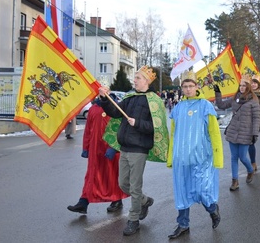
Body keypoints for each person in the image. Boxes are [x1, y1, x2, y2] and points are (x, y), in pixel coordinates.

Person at [99, 66, 169, 236]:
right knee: (123, 184)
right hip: (124, 147)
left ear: (146, 81)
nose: (134, 80)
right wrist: (105, 99)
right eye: (135, 77)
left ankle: (133, 220)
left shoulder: (154, 101)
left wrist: (137, 123)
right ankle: (145, 201)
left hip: (139, 149)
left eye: (137, 77)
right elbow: (115, 112)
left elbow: (156, 127)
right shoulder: (130, 97)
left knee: (135, 187)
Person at [166, 75, 223, 239]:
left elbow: (214, 132)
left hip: (202, 158)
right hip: (181, 159)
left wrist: (218, 157)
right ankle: (183, 224)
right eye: (185, 87)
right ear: (182, 89)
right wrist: (172, 157)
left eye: (191, 86)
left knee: (201, 189)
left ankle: (213, 209)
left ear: (197, 87)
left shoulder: (205, 106)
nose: (188, 89)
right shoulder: (178, 108)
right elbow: (174, 134)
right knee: (182, 192)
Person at [67, 97, 129, 214]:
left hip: (109, 149)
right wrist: (86, 147)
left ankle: (117, 199)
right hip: (95, 148)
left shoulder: (114, 108)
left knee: (111, 175)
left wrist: (114, 147)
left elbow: (120, 129)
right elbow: (88, 130)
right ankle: (83, 202)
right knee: (91, 175)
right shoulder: (93, 109)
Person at [214, 75, 260, 191]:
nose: (242, 87)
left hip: (246, 133)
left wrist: (254, 134)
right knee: (234, 157)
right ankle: (235, 181)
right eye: (240, 85)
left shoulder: (254, 101)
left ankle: (250, 170)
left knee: (243, 157)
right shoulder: (235, 98)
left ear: (248, 87)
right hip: (233, 131)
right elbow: (221, 105)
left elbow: (256, 118)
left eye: (244, 85)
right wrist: (217, 92)